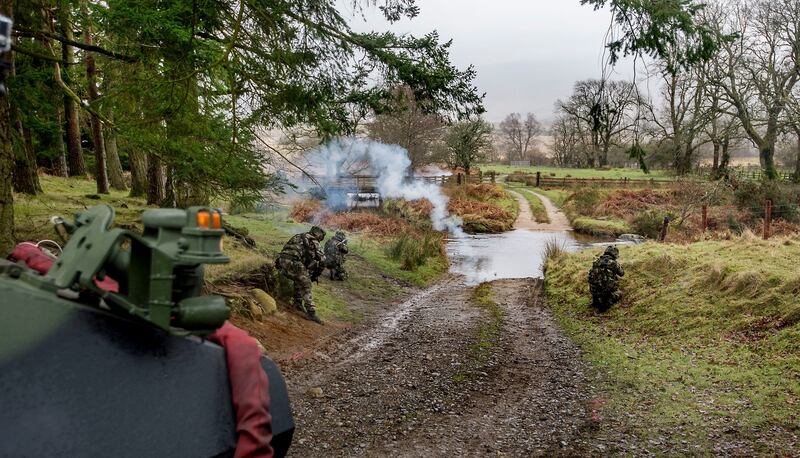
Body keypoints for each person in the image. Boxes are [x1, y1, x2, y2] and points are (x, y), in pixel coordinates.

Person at [275, 226, 326, 323]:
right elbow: (323, 261)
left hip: (281, 262)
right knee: (306, 284)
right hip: (293, 263)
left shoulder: (298, 236)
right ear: (319, 235)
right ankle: (311, 312)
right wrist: (316, 274)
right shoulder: (314, 241)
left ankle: (297, 303)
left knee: (299, 278)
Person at [587, 245, 624, 312]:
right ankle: (606, 303)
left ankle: (596, 301)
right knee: (620, 294)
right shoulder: (613, 263)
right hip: (605, 292)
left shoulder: (596, 261)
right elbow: (622, 273)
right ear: (614, 254)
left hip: (594, 291)